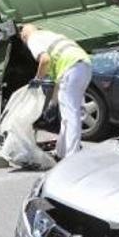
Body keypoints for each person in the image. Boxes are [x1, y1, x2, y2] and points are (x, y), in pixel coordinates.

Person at [21, 24, 92, 159]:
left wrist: (38, 79)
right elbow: (58, 83)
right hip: (84, 66)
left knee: (71, 116)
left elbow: (45, 60)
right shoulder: (50, 35)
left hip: (71, 68)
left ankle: (72, 156)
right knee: (67, 116)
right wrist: (53, 105)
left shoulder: (32, 38)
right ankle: (62, 152)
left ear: (24, 37)